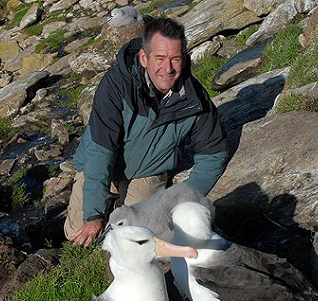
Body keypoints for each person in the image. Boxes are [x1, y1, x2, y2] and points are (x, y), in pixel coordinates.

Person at [64, 17, 229, 246]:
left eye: (175, 59)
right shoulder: (115, 86)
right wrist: (92, 216)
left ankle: (117, 205)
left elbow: (213, 155)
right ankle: (106, 199)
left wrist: (182, 200)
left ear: (184, 59)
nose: (168, 69)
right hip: (102, 164)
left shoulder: (195, 100)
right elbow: (100, 152)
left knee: (134, 238)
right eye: (160, 58)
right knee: (77, 233)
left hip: (148, 173)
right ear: (144, 58)